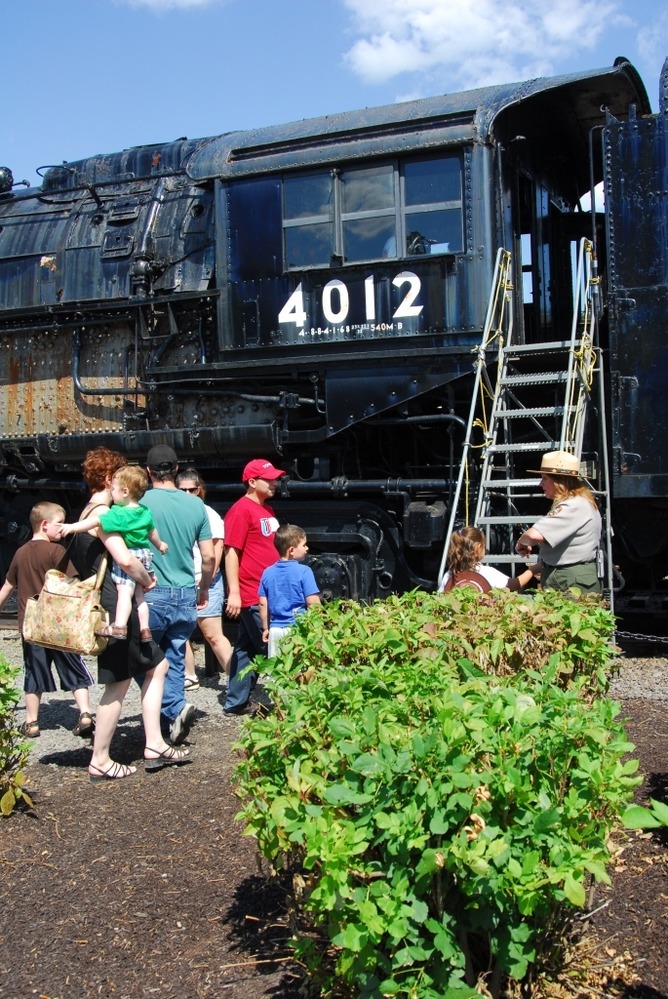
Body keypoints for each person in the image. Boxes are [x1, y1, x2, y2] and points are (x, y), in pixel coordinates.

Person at [67, 447, 191, 781]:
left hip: (119, 601)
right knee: (118, 683)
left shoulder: (91, 510)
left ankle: (153, 743)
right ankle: (101, 759)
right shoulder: (104, 514)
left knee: (158, 665)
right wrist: (147, 578)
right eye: (121, 475)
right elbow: (124, 559)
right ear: (110, 479)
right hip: (116, 603)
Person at [0, 502, 95, 740]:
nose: (63, 528)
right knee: (74, 668)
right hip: (59, 625)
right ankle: (84, 714)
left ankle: (32, 722)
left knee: (33, 672)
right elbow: (72, 585)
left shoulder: (20, 552)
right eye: (59, 523)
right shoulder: (57, 552)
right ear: (45, 525)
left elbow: (8, 586)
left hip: (31, 627)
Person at [142, 445, 214, 744]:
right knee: (174, 653)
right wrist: (204, 587)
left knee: (144, 659)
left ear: (148, 471)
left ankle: (172, 707)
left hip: (151, 591)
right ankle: (174, 712)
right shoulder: (196, 505)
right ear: (176, 469)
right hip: (185, 591)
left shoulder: (139, 501)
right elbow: (208, 557)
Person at [61, 465, 168, 641]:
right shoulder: (144, 511)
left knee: (125, 593)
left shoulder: (118, 513)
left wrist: (72, 527)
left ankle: (119, 626)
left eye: (114, 490)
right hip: (146, 554)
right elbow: (152, 532)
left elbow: (95, 521)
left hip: (131, 553)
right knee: (140, 596)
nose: (111, 493)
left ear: (125, 491)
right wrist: (160, 544)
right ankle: (145, 629)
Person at [223, 458, 285, 716]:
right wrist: (234, 593)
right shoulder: (241, 511)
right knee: (272, 647)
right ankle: (291, 703)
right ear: (251, 482)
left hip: (267, 590)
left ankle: (236, 701)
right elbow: (231, 552)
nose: (275, 483)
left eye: (275, 478)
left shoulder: (267, 510)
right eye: (269, 479)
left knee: (246, 647)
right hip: (252, 592)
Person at [515, 450, 603, 594]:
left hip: (570, 580)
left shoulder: (573, 506)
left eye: (545, 478)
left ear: (559, 481)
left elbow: (533, 536)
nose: (540, 484)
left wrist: (521, 542)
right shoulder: (580, 503)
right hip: (570, 578)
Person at [175, 469, 232, 690]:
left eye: (193, 489)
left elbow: (217, 550)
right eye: (183, 490)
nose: (189, 493)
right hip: (182, 579)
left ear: (200, 490)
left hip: (205, 580)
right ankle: (189, 674)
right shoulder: (176, 513)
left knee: (213, 634)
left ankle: (237, 679)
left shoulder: (209, 514)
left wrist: (206, 581)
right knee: (179, 632)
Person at [258, 524, 321, 657]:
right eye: (304, 545)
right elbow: (313, 602)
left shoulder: (267, 573)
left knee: (277, 671)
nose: (307, 548)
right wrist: (318, 625)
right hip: (298, 628)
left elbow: (263, 604)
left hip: (275, 630)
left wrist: (265, 628)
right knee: (298, 669)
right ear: (291, 550)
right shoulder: (304, 571)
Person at [440, 526, 538, 592]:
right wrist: (533, 570)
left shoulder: (449, 575)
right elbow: (513, 585)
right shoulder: (486, 572)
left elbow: (441, 595)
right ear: (478, 548)